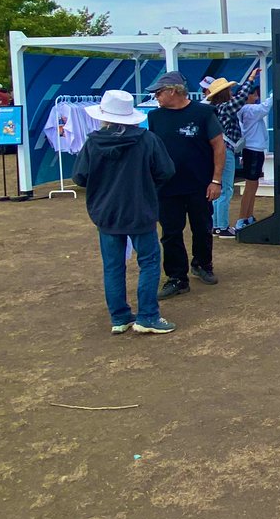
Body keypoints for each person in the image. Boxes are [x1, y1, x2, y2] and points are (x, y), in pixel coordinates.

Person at [72, 90, 177, 335]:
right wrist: (148, 187)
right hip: (141, 209)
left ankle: (119, 317)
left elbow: (80, 177)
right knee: (149, 262)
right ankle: (148, 315)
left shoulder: (93, 142)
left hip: (106, 212)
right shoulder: (147, 140)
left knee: (113, 265)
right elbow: (166, 171)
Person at [144, 71, 226, 299]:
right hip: (167, 187)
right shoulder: (155, 117)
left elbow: (219, 147)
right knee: (170, 232)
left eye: (159, 92)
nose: (156, 97)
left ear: (173, 91)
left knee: (202, 227)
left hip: (200, 184)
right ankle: (177, 277)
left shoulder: (203, 113)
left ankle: (202, 264)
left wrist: (216, 180)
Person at [205, 68, 261, 237]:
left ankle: (216, 225)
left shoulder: (214, 109)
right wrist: (250, 78)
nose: (231, 92)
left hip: (215, 151)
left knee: (218, 189)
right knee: (225, 190)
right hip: (226, 151)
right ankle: (222, 226)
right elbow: (241, 97)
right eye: (229, 90)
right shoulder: (225, 108)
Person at [235, 86, 273, 231]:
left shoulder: (245, 109)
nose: (256, 97)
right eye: (254, 94)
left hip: (253, 150)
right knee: (250, 187)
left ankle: (248, 216)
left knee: (253, 185)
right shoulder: (248, 109)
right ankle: (241, 219)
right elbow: (266, 107)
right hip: (252, 151)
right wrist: (276, 91)